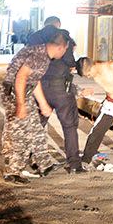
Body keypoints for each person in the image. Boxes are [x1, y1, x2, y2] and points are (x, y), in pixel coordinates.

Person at [1, 30, 70, 184]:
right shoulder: (40, 56)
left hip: (25, 92)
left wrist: (43, 103)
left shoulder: (42, 54)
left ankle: (44, 164)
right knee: (21, 133)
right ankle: (12, 172)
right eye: (66, 49)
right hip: (16, 93)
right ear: (60, 47)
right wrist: (20, 105)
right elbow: (21, 78)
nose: (65, 53)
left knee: (36, 129)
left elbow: (33, 80)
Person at [27, 16, 88, 174]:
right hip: (61, 88)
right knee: (69, 126)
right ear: (58, 25)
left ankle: (36, 161)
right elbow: (69, 62)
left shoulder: (34, 38)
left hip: (39, 87)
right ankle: (74, 164)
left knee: (38, 125)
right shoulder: (63, 38)